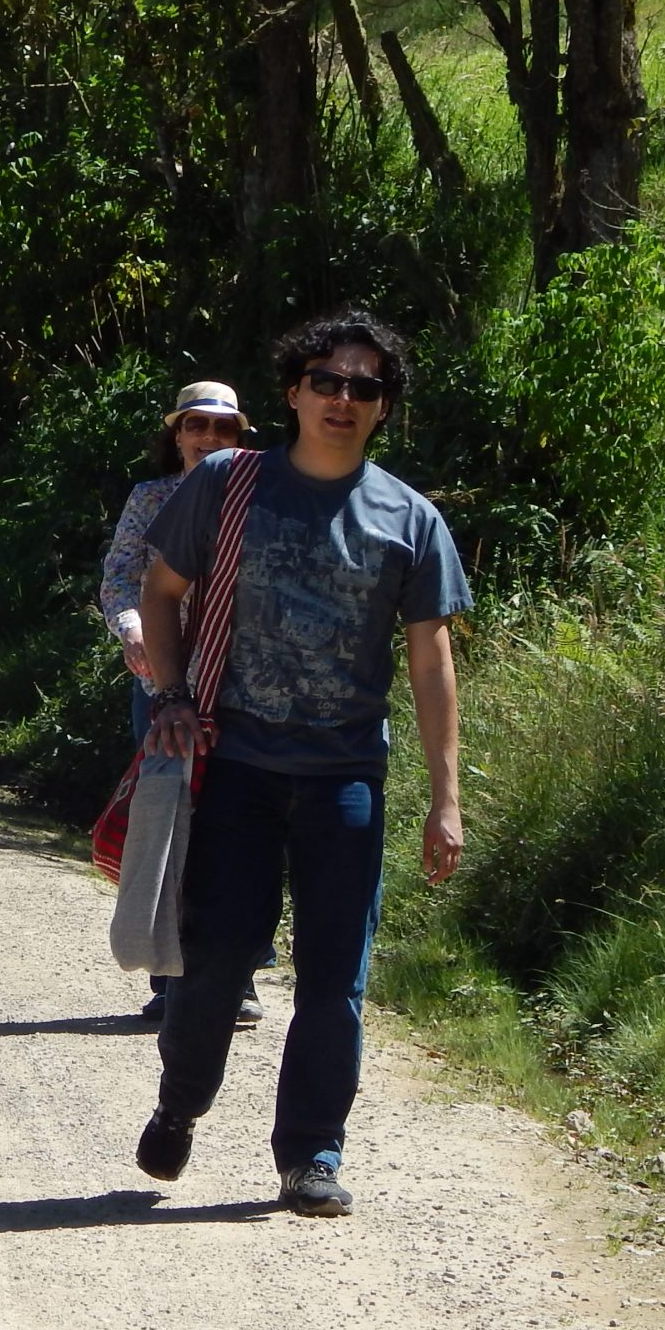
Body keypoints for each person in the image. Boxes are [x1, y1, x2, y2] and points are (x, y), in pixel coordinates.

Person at [131, 312, 469, 1219]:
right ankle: (180, 1102)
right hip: (235, 764)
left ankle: (312, 1153)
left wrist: (446, 799)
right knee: (213, 962)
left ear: (384, 407)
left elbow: (431, 662)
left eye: (365, 387)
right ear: (293, 392)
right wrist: (171, 694)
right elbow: (160, 591)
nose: (343, 398)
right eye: (327, 380)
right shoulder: (227, 484)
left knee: (334, 978)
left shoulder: (411, 519)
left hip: (345, 777)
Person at [97, 379, 250, 1023]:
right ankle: (167, 977)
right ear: (177, 434)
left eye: (223, 428)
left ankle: (238, 975)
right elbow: (119, 577)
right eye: (196, 425)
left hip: (240, 685)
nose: (208, 438)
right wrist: (132, 627)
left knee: (241, 825)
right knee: (165, 820)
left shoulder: (259, 499)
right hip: (162, 683)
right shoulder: (150, 498)